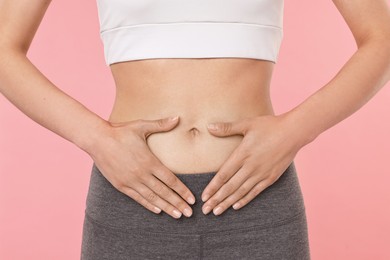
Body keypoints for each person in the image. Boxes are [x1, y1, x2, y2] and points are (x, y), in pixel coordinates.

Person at [1, 0, 390, 259]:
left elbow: (383, 37)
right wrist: (96, 139)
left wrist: (294, 132)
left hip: (256, 201)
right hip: (133, 200)